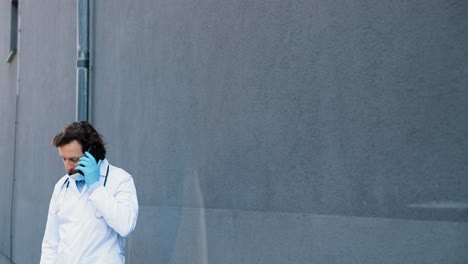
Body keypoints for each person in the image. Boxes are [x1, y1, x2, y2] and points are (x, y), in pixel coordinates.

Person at [40, 121, 139, 264]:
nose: (68, 166)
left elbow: (125, 226)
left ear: (94, 153)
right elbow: (51, 243)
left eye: (74, 159)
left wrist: (96, 187)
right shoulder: (62, 186)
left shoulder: (120, 180)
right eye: (64, 159)